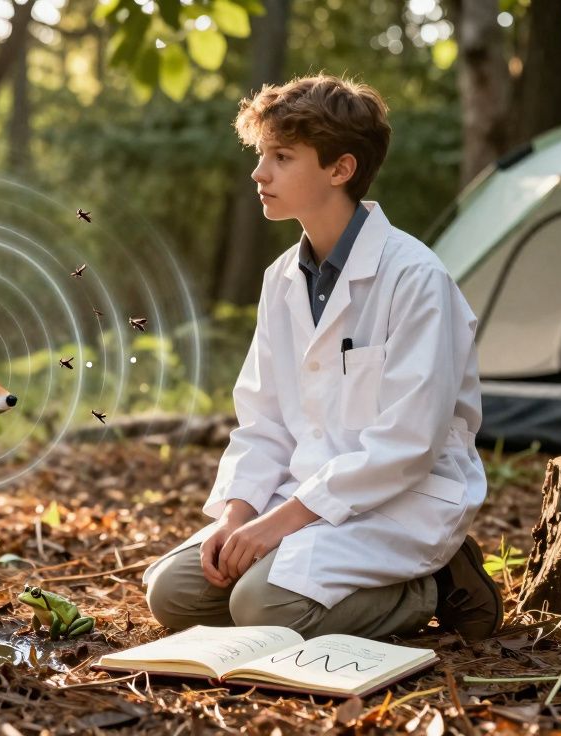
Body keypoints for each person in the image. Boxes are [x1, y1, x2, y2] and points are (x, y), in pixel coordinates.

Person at [144, 74, 502, 641]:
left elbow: (408, 445)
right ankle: (294, 570)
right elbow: (263, 420)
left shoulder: (415, 278)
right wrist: (240, 515)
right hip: (305, 496)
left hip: (399, 498)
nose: (259, 174)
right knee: (174, 595)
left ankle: (433, 583)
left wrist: (277, 526)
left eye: (281, 157)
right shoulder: (281, 278)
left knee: (265, 609)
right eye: (262, 155)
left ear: (341, 169)